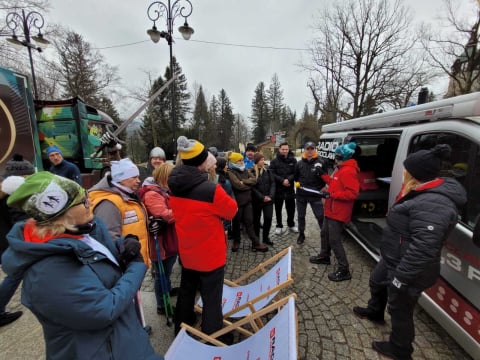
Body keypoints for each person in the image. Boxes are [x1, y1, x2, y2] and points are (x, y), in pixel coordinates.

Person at [1, 172, 162, 359]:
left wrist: (125, 244)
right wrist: (136, 265)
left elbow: (99, 254)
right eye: (84, 201)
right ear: (62, 213)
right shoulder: (48, 271)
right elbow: (104, 309)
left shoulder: (83, 230)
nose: (91, 202)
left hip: (121, 340)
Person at [352, 144, 466, 360]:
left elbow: (424, 248)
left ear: (415, 173)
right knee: (377, 281)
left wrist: (401, 278)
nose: (402, 172)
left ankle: (400, 348)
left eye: (405, 169)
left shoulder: (434, 202)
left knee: (400, 308)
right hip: (394, 256)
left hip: (409, 268)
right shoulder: (420, 191)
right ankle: (375, 311)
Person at [167, 136, 237, 340]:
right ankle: (214, 334)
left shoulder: (174, 184)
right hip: (210, 254)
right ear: (201, 161)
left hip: (188, 251)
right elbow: (231, 211)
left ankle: (182, 327)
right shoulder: (210, 189)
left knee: (187, 292)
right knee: (212, 296)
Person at [310, 142, 360, 282]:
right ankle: (324, 256)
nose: (333, 158)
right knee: (324, 233)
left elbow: (353, 193)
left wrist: (331, 195)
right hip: (330, 209)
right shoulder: (340, 168)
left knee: (334, 239)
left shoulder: (349, 170)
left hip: (338, 212)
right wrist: (323, 176)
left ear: (340, 156)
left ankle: (344, 269)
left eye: (336, 155)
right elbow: (334, 182)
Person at [88, 158, 150, 264]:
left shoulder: (128, 196)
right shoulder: (109, 203)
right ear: (121, 178)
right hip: (125, 265)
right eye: (134, 177)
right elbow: (108, 239)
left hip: (135, 261)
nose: (139, 181)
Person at [138, 163, 179, 316]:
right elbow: (163, 214)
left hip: (168, 239)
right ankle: (162, 305)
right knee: (161, 274)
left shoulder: (164, 190)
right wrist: (182, 209)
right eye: (172, 177)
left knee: (166, 272)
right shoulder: (152, 193)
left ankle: (167, 290)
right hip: (161, 242)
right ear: (164, 177)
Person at [0, 154, 35, 327]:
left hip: (4, 240)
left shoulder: (3, 189)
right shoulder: (15, 193)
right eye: (29, 176)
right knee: (15, 275)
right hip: (10, 242)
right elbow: (21, 223)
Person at [228, 151, 268, 252]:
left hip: (247, 202)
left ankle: (256, 243)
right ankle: (237, 241)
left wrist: (244, 182)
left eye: (242, 160)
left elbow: (254, 180)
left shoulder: (245, 170)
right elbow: (238, 185)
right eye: (239, 160)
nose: (241, 162)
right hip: (237, 203)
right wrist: (248, 185)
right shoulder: (231, 172)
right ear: (234, 162)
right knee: (236, 223)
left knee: (250, 222)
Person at [294, 141, 328, 244]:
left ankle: (325, 235)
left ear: (315, 149)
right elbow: (296, 177)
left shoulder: (321, 162)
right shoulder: (299, 163)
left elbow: (325, 178)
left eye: (311, 149)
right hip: (301, 195)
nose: (309, 151)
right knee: (301, 216)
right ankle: (301, 234)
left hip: (315, 196)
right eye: (307, 149)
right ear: (304, 150)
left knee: (320, 216)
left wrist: (322, 188)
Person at [269, 142, 298, 235]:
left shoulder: (293, 160)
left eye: (286, 149)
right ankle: (279, 225)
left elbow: (296, 173)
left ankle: (291, 224)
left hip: (289, 188)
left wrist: (288, 180)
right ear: (279, 149)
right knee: (278, 209)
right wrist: (282, 181)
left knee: (291, 208)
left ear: (288, 149)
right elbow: (272, 173)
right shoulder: (274, 161)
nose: (285, 151)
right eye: (283, 149)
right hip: (278, 189)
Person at [250, 152, 275, 246]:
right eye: (261, 160)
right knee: (256, 221)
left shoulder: (268, 171)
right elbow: (252, 187)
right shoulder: (251, 172)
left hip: (269, 200)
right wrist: (262, 197)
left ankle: (265, 237)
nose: (263, 161)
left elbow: (273, 183)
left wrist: (271, 196)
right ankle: (256, 240)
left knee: (268, 218)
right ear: (256, 161)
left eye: (263, 159)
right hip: (257, 201)